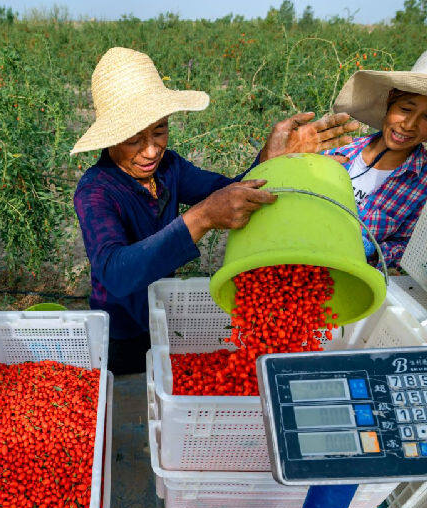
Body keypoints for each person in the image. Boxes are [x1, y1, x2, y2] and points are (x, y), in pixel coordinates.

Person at [71, 47, 359, 375]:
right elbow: (116, 273)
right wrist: (202, 217)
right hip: (121, 329)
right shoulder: (96, 190)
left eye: (160, 130)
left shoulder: (169, 168)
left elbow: (226, 192)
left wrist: (271, 158)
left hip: (160, 311)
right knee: (133, 387)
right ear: (109, 139)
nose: (151, 150)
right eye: (134, 139)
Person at [324, 46, 427, 270]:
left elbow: (407, 246)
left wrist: (372, 251)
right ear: (391, 101)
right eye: (406, 109)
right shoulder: (340, 151)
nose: (409, 125)